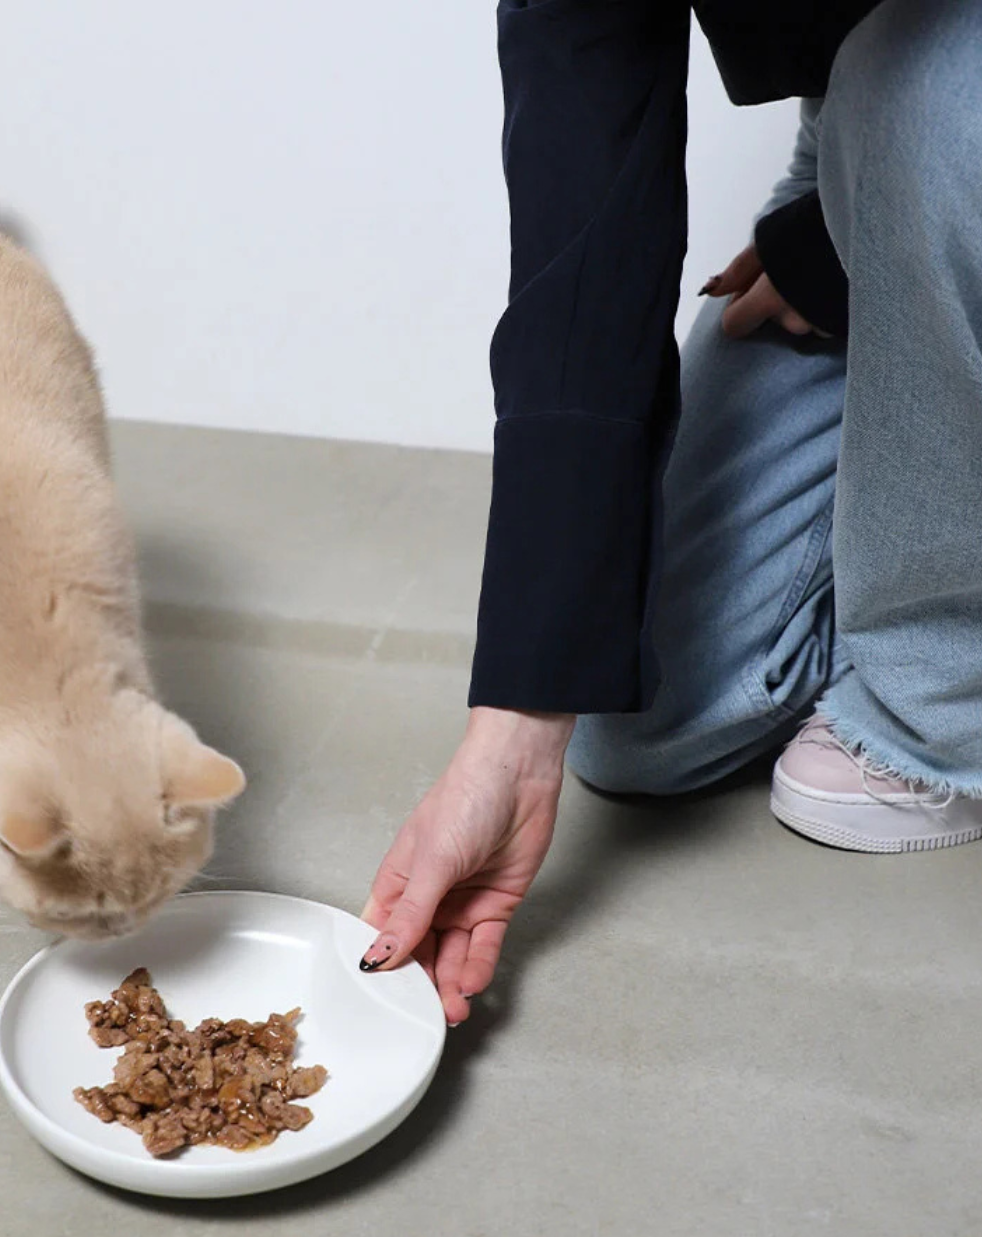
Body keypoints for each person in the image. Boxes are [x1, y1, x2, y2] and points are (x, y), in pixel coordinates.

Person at [361, 0, 982, 1024]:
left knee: (926, 99)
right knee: (643, 722)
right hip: (866, 124)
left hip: (937, 99)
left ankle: (944, 704)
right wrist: (518, 726)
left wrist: (908, 180)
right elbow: (588, 180)